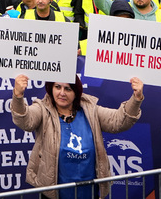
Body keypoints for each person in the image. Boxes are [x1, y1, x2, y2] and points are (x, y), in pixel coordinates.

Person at [11, 73, 143, 198]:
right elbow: (25, 121)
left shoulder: (91, 110)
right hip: (53, 195)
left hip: (89, 192)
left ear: (76, 92)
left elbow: (118, 121)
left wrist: (136, 99)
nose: (62, 93)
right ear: (51, 89)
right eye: (57, 87)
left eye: (68, 89)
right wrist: (18, 95)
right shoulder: (42, 109)